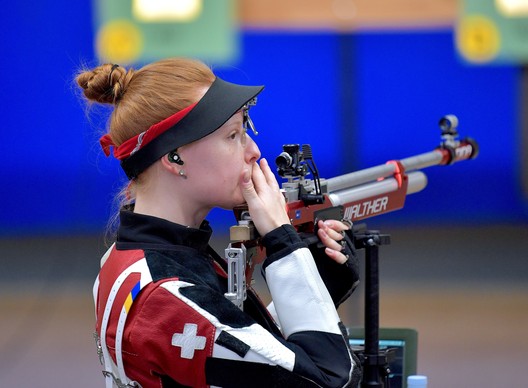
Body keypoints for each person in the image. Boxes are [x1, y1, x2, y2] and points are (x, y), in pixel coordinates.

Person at [77, 57, 361, 387]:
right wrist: (283, 243)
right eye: (232, 135)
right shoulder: (166, 294)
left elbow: (251, 353)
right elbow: (332, 380)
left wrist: (317, 285)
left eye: (246, 131)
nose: (253, 150)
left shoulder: (136, 260)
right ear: (174, 156)